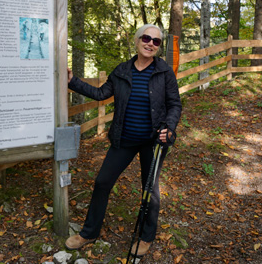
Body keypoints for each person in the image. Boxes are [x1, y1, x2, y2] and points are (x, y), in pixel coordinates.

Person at [65, 24, 182, 257]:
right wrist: (72, 81)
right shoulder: (121, 71)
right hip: (124, 139)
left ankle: (146, 236)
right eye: (147, 38)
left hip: (153, 141)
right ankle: (89, 232)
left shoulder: (164, 72)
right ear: (137, 40)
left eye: (156, 41)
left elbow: (174, 105)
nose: (150, 43)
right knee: (102, 183)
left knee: (150, 190)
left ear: (158, 47)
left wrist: (168, 128)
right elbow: (100, 94)